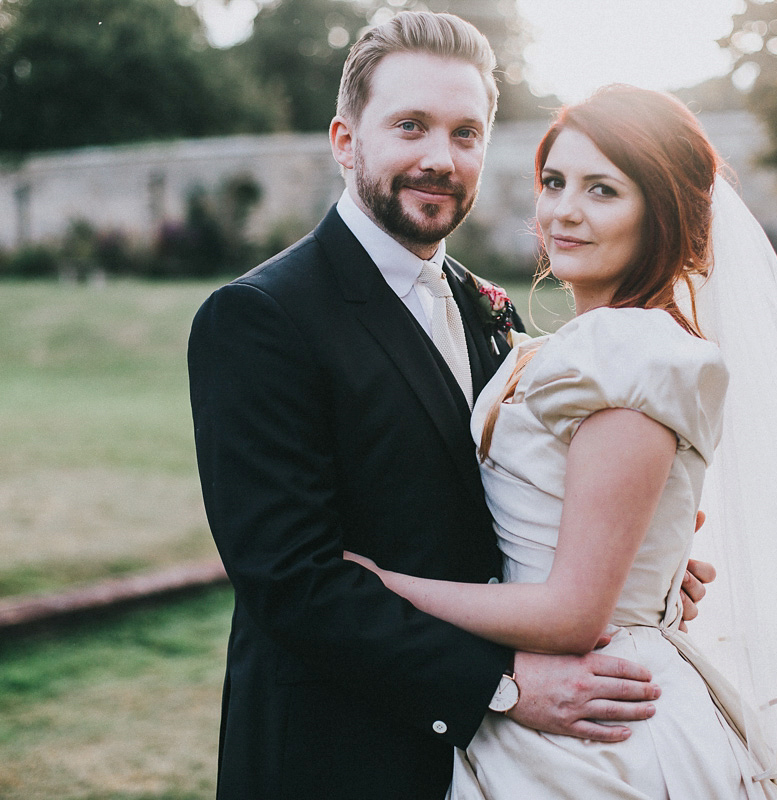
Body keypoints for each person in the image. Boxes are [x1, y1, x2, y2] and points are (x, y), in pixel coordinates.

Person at [345, 85, 777, 799]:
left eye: (604, 190)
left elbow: (573, 614)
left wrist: (382, 585)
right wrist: (656, 563)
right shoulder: (566, 348)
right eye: (554, 182)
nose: (564, 212)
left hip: (600, 731)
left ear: (662, 215)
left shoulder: (634, 360)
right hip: (545, 708)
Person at [187, 13, 714, 800]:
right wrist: (502, 684)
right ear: (344, 140)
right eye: (410, 126)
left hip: (499, 764)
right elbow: (291, 581)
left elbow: (513, 494)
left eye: (466, 133)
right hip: (339, 753)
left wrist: (635, 559)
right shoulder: (260, 318)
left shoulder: (482, 304)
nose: (440, 158)